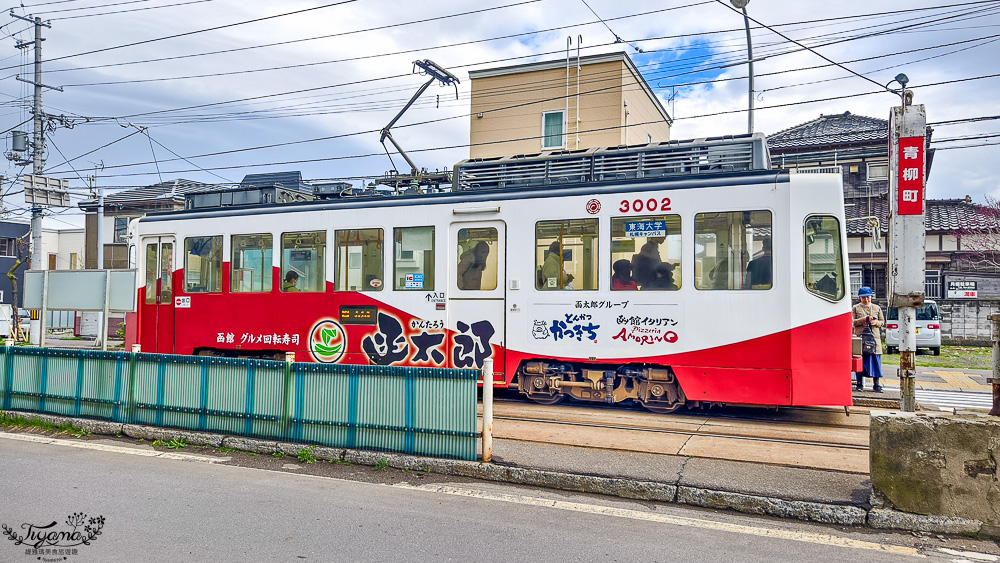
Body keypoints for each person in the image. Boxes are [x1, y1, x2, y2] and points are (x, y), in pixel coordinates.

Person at [852, 286, 885, 392]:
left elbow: (882, 322)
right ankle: (859, 384)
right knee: (860, 361)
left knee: (876, 361)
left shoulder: (877, 308)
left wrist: (876, 323)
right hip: (860, 338)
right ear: (859, 298)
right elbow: (852, 322)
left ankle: (876, 384)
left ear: (871, 297)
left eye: (868, 297)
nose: (866, 299)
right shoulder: (855, 308)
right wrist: (864, 320)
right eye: (863, 298)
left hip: (874, 339)